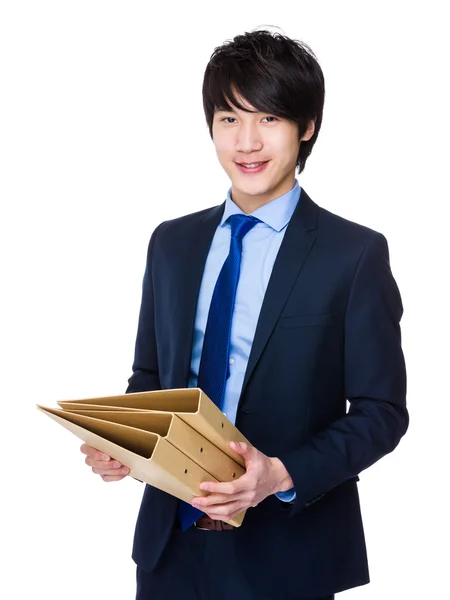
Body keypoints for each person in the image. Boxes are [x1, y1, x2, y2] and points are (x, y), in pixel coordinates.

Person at [80, 28, 408, 600]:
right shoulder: (172, 244)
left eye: (270, 119)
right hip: (169, 551)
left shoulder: (352, 255)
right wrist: (128, 442)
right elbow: (152, 379)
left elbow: (382, 413)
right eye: (230, 118)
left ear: (306, 128)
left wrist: (280, 474)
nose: (247, 142)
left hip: (288, 556)